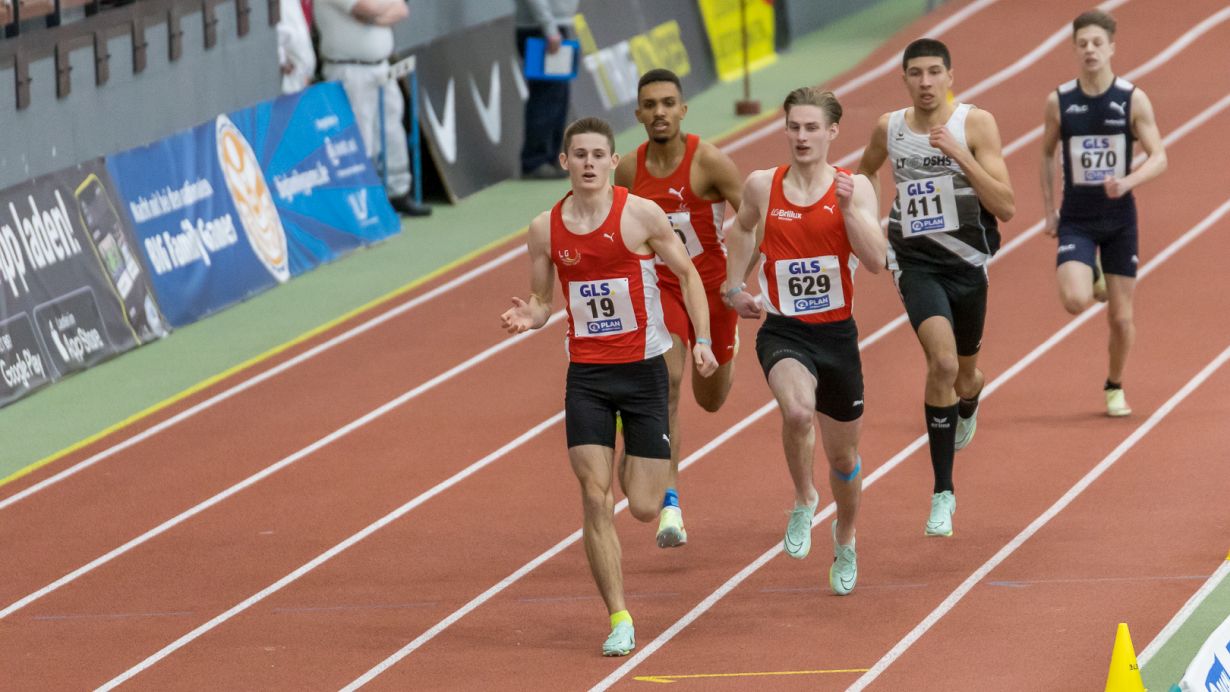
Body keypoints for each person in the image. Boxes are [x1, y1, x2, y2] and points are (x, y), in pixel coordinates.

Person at [500, 117, 717, 655]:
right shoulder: (544, 230)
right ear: (565, 163)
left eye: (599, 154)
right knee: (595, 498)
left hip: (643, 374)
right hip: (589, 377)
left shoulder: (640, 214)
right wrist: (534, 315)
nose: (590, 163)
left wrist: (705, 339)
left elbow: (687, 274)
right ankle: (619, 617)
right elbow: (545, 299)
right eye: (580, 154)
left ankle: (634, 458)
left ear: (613, 161)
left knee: (641, 505)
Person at [721, 87, 885, 595]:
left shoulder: (854, 188)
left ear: (833, 131)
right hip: (783, 330)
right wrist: (733, 287)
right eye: (794, 126)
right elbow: (742, 229)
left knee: (844, 459)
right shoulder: (761, 185)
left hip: (836, 335)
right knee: (796, 411)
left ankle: (847, 537)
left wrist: (851, 214)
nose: (802, 136)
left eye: (812, 127)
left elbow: (878, 261)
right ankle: (803, 498)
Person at [858, 38, 1014, 537]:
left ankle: (970, 397)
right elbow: (864, 174)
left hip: (968, 263)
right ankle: (943, 493)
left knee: (965, 376)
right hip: (915, 261)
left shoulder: (976, 123)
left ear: (950, 76)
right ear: (904, 79)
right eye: (915, 74)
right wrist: (872, 226)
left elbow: (1007, 205)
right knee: (942, 364)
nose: (925, 83)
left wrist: (959, 155)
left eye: (933, 73)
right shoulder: (891, 127)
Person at [613, 68, 744, 549]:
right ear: (638, 114)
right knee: (666, 383)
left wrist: (742, 279)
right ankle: (670, 501)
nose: (659, 112)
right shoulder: (628, 170)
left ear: (683, 109)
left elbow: (750, 216)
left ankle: (726, 348)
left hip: (712, 293)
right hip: (662, 288)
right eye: (650, 104)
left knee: (710, 399)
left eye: (668, 102)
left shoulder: (709, 163)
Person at [1040, 9, 1166, 417]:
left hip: (1120, 220)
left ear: (1111, 47)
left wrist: (1128, 182)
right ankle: (1091, 276)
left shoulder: (1131, 99)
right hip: (1076, 217)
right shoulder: (1060, 102)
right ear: (1074, 49)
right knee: (1075, 300)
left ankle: (1114, 385)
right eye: (1083, 44)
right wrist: (1048, 212)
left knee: (1121, 319)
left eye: (1097, 43)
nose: (1090, 50)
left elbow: (1160, 156)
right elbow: (1044, 154)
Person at [315, 0, 431, 216]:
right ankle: (364, 202)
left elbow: (402, 10)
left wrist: (375, 15)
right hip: (349, 70)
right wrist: (381, 10)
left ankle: (398, 193)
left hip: (382, 67)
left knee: (391, 129)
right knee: (360, 136)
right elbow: (365, 9)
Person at [515, 0, 579, 180]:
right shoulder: (546, 28)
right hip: (541, 30)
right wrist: (549, 29)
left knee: (558, 97)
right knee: (545, 98)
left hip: (554, 27)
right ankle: (535, 161)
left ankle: (550, 158)